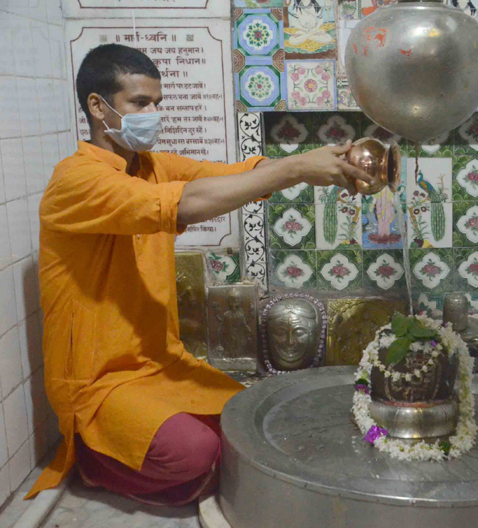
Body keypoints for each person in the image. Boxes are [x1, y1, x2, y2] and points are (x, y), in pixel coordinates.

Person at [26, 44, 371, 505]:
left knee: (249, 423)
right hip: (100, 383)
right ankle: (94, 461)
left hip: (161, 365)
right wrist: (293, 169)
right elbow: (186, 204)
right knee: (197, 454)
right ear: (97, 106)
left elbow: (228, 175)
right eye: (140, 103)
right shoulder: (75, 180)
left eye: (157, 104)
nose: (153, 114)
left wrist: (314, 168)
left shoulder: (151, 167)